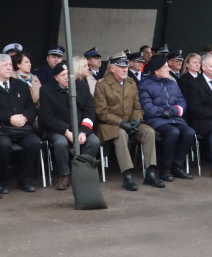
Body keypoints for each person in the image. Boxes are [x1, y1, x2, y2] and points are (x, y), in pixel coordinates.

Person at [94, 52, 162, 190]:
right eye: (121, 66)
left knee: (148, 131)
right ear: (112, 68)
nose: (125, 69)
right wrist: (121, 123)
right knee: (121, 134)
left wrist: (136, 120)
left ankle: (150, 172)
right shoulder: (102, 85)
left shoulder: (131, 83)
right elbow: (102, 112)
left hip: (131, 122)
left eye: (126, 66)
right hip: (110, 125)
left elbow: (137, 106)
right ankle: (127, 175)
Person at [0, 53, 42, 193]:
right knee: (2, 145)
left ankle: (26, 180)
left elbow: (31, 107)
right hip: (0, 129)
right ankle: (4, 182)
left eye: (10, 65)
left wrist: (25, 118)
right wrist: (9, 118)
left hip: (22, 128)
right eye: (4, 65)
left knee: (34, 143)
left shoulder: (21, 86)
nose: (8, 68)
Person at [39, 63, 100, 189]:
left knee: (94, 141)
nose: (67, 78)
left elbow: (89, 110)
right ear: (56, 77)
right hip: (58, 129)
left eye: (68, 74)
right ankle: (64, 174)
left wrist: (83, 131)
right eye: (63, 75)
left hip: (80, 127)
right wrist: (66, 131)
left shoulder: (81, 85)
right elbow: (47, 117)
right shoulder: (46, 90)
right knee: (61, 143)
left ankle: (83, 173)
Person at [139, 54, 196, 181]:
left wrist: (173, 111)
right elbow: (147, 107)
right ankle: (165, 169)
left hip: (173, 118)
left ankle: (177, 166)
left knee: (189, 132)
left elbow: (182, 102)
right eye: (166, 67)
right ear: (157, 70)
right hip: (155, 119)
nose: (169, 69)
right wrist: (162, 112)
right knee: (173, 132)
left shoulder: (172, 83)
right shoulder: (145, 84)